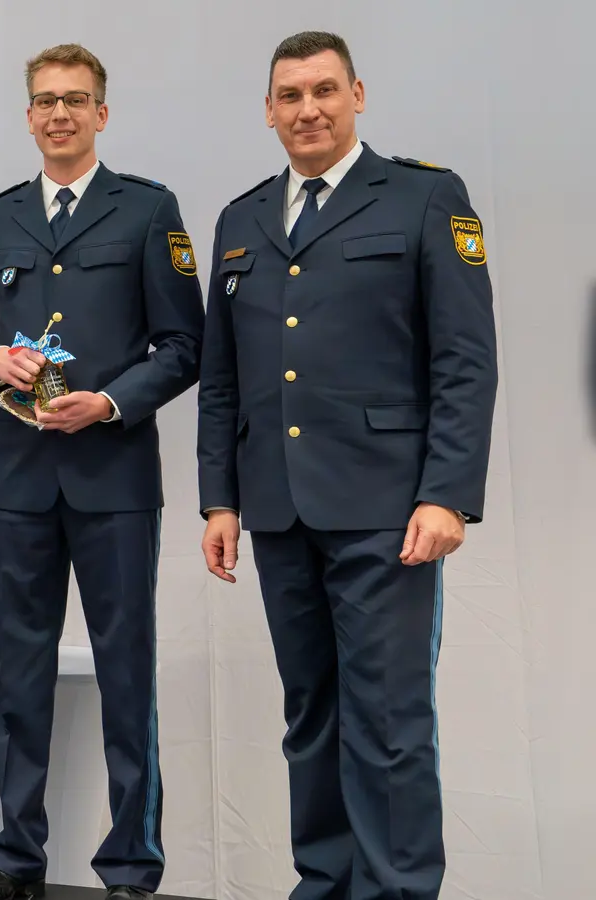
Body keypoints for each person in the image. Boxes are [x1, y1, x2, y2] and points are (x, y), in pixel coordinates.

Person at [197, 31, 497, 900]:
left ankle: (397, 890)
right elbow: (224, 378)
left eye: (324, 90)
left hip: (386, 509)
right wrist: (221, 498)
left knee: (391, 722)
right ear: (268, 111)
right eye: (289, 96)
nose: (308, 109)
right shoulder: (242, 218)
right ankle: (324, 884)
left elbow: (465, 359)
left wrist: (447, 494)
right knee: (311, 716)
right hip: (279, 510)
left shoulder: (424, 197)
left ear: (357, 95)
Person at [0, 43, 204, 900]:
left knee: (125, 670)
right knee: (19, 673)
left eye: (77, 99)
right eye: (46, 101)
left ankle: (131, 868)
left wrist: (110, 403)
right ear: (28, 117)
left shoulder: (147, 209)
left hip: (115, 478)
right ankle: (14, 860)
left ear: (102, 113)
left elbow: (183, 346)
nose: (60, 113)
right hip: (20, 478)